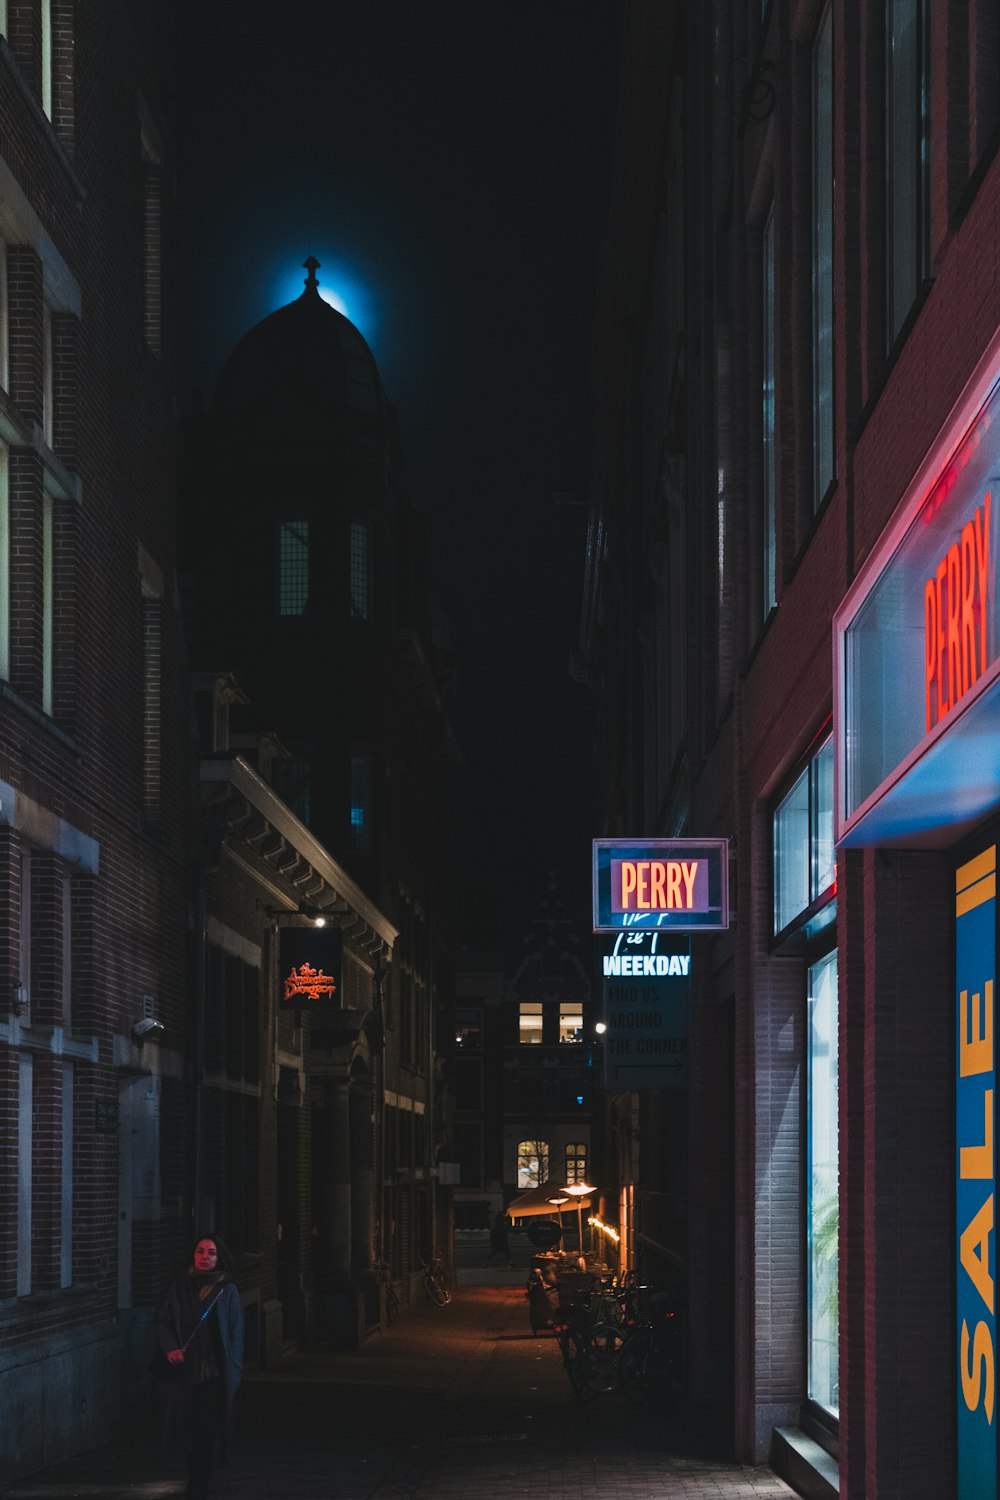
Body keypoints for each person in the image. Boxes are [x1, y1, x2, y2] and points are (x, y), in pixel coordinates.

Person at [155, 1233, 244, 1500]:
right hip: (185, 1375)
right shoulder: (180, 1286)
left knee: (206, 1431)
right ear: (193, 1255)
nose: (205, 1257)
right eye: (201, 1252)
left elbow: (236, 1332)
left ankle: (198, 1486)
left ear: (219, 1258)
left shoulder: (227, 1291)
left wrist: (235, 1371)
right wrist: (170, 1346)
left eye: (212, 1252)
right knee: (187, 1430)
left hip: (214, 1376)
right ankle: (196, 1474)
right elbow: (163, 1319)